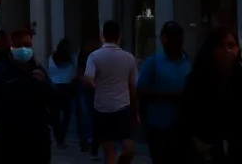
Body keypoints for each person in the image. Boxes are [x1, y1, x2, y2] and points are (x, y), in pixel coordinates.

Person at [0, 28, 56, 164]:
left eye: (27, 45)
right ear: (11, 48)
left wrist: (45, 83)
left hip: (35, 141)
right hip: (6, 140)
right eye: (19, 46)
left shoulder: (38, 72)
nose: (24, 50)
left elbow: (55, 99)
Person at [180, 26, 242, 162]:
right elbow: (186, 115)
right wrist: (195, 141)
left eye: (231, 45)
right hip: (207, 149)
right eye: (221, 45)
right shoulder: (197, 79)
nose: (227, 50)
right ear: (211, 49)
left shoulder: (239, 78)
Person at [83, 20, 138, 164]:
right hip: (123, 107)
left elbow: (88, 79)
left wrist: (98, 87)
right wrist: (135, 111)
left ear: (103, 35)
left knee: (109, 152)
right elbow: (133, 86)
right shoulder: (129, 57)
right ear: (119, 36)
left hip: (102, 108)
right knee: (129, 148)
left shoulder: (94, 56)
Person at [136, 21, 190, 164]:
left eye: (175, 37)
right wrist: (169, 97)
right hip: (159, 129)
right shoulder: (153, 62)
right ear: (163, 39)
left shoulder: (188, 64)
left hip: (183, 129)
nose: (172, 41)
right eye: (168, 37)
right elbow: (140, 91)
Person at [46, 38, 76, 149]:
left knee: (55, 115)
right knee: (67, 115)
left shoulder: (51, 58)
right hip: (67, 87)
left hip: (54, 86)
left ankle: (58, 138)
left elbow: (49, 72)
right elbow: (73, 72)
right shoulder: (70, 58)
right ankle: (61, 138)